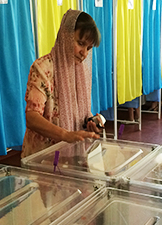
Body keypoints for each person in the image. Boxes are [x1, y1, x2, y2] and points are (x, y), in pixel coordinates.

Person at [21, 9, 102, 158]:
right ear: (65, 36)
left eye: (89, 48)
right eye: (80, 43)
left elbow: (77, 112)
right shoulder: (43, 68)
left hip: (71, 157)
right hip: (43, 157)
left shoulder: (80, 70)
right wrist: (65, 134)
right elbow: (32, 118)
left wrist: (90, 121)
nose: (84, 53)